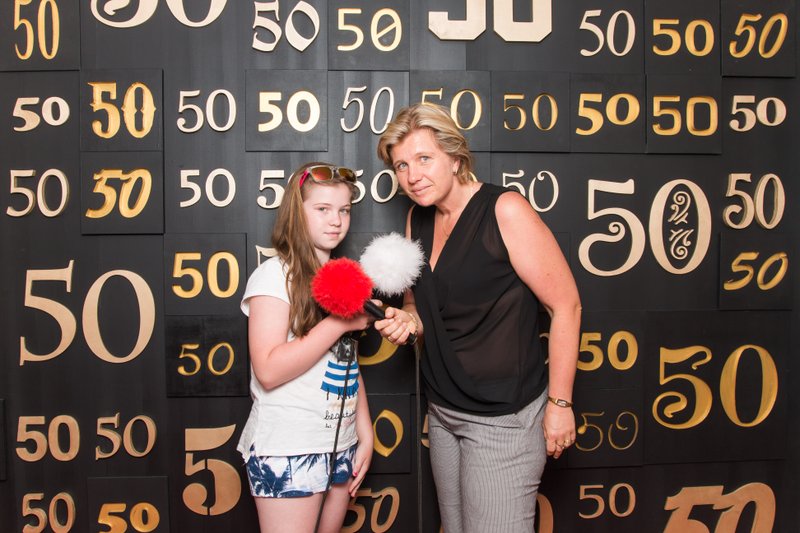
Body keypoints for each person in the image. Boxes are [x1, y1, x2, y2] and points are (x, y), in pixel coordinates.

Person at [374, 104, 581, 532]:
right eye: (401, 166)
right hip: (444, 411)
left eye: (424, 159)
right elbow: (417, 305)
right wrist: (409, 322)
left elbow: (566, 306)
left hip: (503, 418)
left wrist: (560, 404)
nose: (412, 176)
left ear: (455, 157)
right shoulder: (418, 217)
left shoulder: (505, 210)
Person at [237, 163, 374, 533]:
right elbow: (268, 370)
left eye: (344, 210)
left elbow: (345, 361)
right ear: (297, 212)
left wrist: (365, 432)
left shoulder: (340, 278)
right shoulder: (274, 275)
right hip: (289, 445)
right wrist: (338, 323)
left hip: (340, 442)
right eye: (323, 209)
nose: (336, 221)